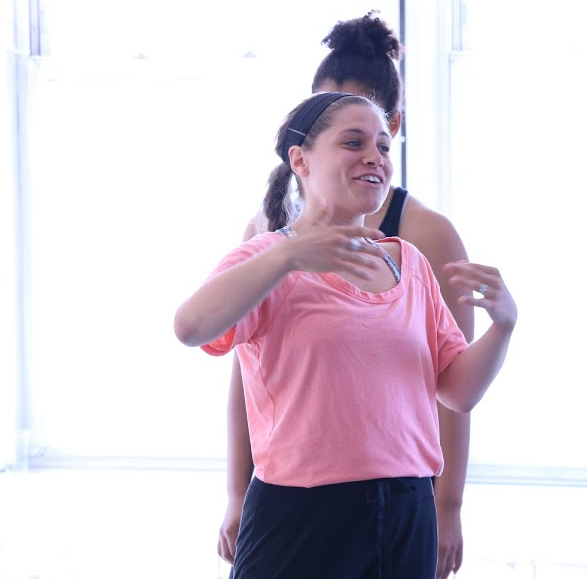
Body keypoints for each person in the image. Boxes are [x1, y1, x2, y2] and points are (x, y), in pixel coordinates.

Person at [174, 92, 517, 578]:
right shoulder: (268, 258)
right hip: (301, 514)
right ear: (300, 160)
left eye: (383, 146)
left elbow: (459, 392)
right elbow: (190, 328)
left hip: (408, 511)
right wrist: (289, 255)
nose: (375, 157)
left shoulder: (410, 264)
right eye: (354, 142)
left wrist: (503, 326)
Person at [218, 12, 474, 579]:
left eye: (366, 132)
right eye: (323, 113)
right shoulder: (267, 232)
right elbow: (243, 369)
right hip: (295, 500)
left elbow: (452, 382)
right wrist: (237, 491)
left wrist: (448, 504)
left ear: (392, 126)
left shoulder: (425, 237)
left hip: (395, 504)